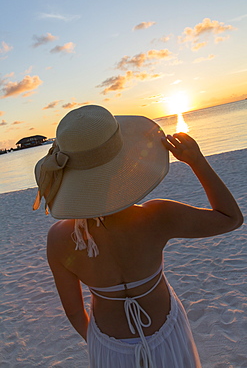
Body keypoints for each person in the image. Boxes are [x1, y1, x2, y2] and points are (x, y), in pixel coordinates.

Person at [33, 105, 243, 368]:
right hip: (168, 337)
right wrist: (196, 161)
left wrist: (105, 348)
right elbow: (230, 218)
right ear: (123, 162)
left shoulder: (59, 238)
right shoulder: (156, 216)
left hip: (109, 346)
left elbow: (75, 311)